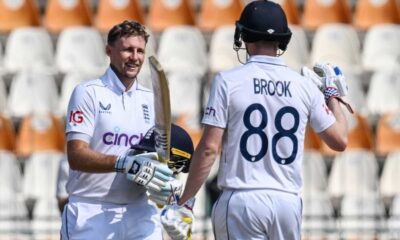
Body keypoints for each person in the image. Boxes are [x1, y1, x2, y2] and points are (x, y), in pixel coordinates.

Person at [161, 1, 351, 240]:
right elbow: (340, 140)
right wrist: (333, 95)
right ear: (282, 40)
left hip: (242, 200)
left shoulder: (227, 81)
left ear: (243, 36)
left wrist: (185, 201)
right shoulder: (304, 87)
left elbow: (209, 149)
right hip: (287, 202)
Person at [60, 20, 188, 239]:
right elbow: (76, 155)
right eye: (128, 49)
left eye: (140, 51)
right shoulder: (88, 93)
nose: (135, 57)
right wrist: (123, 163)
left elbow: (163, 159)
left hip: (140, 211)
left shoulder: (151, 99)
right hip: (92, 209)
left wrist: (173, 202)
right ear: (109, 51)